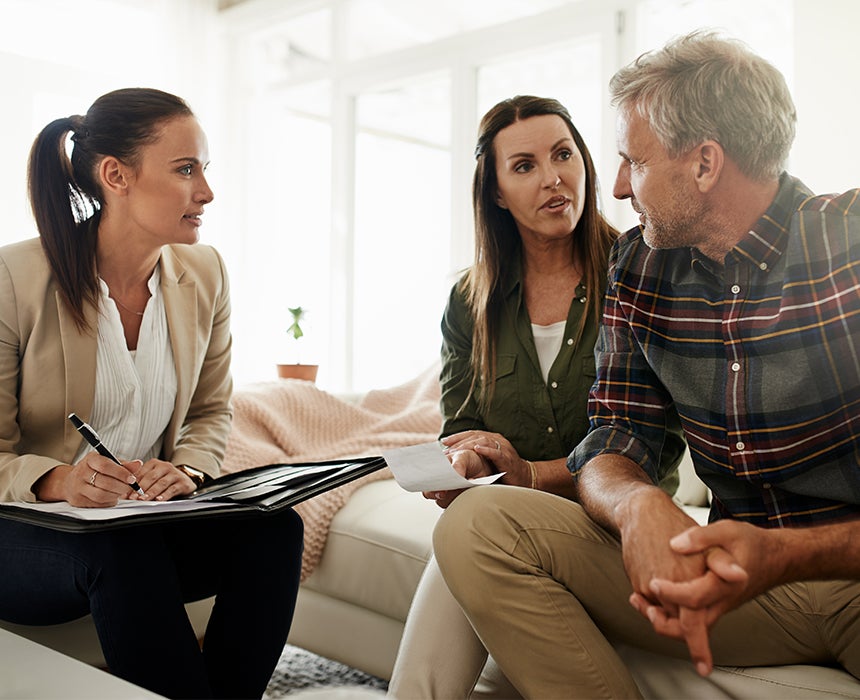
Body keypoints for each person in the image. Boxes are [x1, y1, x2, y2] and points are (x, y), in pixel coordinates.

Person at [432, 30, 860, 699]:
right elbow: (613, 438)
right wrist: (636, 506)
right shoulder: (640, 266)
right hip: (731, 581)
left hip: (848, 576)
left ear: (704, 164)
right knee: (477, 527)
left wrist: (783, 553)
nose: (621, 185)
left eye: (634, 161)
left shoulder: (849, 247)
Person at [0, 88, 304, 699]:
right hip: (25, 535)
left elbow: (212, 409)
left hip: (140, 522)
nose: (206, 192)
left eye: (205, 170)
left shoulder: (206, 273)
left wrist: (187, 470)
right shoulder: (15, 279)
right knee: (121, 549)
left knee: (276, 530)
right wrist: (59, 481)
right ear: (117, 176)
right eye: (186, 169)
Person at [388, 95, 684, 698]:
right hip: (504, 525)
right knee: (471, 522)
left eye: (563, 154)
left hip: (615, 522)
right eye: (523, 166)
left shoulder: (642, 269)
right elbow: (464, 426)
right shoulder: (469, 302)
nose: (553, 178)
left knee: (474, 527)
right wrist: (464, 465)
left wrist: (525, 476)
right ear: (495, 191)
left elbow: (654, 451)